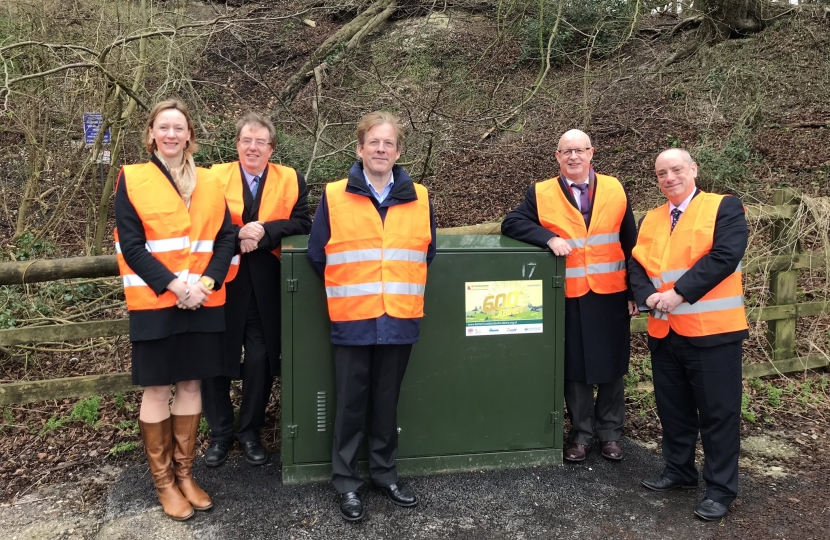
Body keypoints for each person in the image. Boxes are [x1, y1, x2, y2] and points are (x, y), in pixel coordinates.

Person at [307, 111, 437, 522]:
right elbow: (317, 253)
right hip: (354, 317)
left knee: (386, 403)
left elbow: (426, 252)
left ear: (398, 151)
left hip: (399, 317)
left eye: (389, 143)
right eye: (373, 142)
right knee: (350, 404)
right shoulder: (334, 195)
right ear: (359, 147)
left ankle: (385, 474)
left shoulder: (420, 195)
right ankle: (346, 483)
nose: (381, 149)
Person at [114, 99, 235, 520]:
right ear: (151, 134)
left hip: (202, 299)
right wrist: (172, 284)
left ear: (189, 136)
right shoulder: (132, 178)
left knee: (190, 385)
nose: (170, 134)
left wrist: (204, 283)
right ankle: (163, 482)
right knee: (157, 389)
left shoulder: (211, 181)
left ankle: (185, 474)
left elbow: (226, 238)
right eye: (163, 127)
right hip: (155, 302)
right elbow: (130, 245)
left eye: (178, 128)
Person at [501, 129, 638, 463]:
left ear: (592, 153)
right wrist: (547, 237)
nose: (573, 157)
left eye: (579, 150)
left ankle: (610, 434)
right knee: (575, 368)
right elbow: (512, 223)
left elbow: (632, 242)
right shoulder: (541, 192)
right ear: (557, 157)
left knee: (612, 366)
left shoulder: (615, 188)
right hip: (571, 295)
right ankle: (580, 434)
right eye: (567, 152)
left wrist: (637, 291)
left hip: (611, 292)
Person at [629, 148, 748, 522]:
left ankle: (720, 489)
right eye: (661, 172)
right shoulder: (651, 217)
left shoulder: (724, 207)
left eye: (676, 169)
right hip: (665, 331)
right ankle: (679, 470)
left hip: (713, 333)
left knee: (718, 414)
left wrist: (678, 293)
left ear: (693, 169)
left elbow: (724, 256)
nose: (669, 177)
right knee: (674, 409)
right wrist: (646, 295)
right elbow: (636, 263)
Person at [201, 113, 311, 467]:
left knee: (261, 360)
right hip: (220, 282)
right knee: (214, 360)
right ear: (237, 145)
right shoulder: (213, 178)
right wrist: (238, 236)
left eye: (260, 142)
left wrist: (265, 232)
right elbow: (202, 223)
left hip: (266, 284)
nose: (253, 147)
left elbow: (303, 222)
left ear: (271, 148)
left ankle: (249, 431)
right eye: (246, 140)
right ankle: (220, 434)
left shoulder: (291, 179)